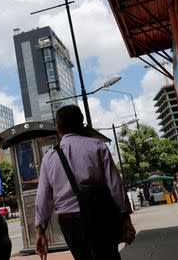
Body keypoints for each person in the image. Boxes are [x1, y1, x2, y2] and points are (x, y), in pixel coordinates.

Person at [35, 105, 136, 260]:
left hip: (70, 223)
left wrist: (40, 230)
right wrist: (125, 218)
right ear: (81, 124)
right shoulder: (97, 146)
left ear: (58, 128)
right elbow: (115, 185)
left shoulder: (49, 157)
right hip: (100, 215)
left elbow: (43, 196)